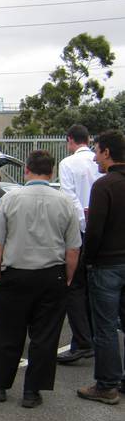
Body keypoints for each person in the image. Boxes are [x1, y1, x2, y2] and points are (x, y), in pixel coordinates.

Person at [0, 150, 81, 408]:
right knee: (45, 336)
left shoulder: (11, 199)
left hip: (15, 275)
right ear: (52, 172)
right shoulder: (65, 202)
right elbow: (73, 248)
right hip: (51, 276)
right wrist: (67, 278)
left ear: (27, 170)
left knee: (6, 333)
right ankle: (32, 392)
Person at [77, 129, 125, 405]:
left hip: (107, 264)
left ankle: (107, 384)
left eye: (96, 151)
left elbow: (94, 232)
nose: (95, 158)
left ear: (107, 152)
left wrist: (88, 260)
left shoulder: (105, 186)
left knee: (105, 327)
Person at [57, 124, 102, 364]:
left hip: (80, 231)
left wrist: (82, 226)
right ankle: (95, 337)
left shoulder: (68, 164)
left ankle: (82, 341)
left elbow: (70, 199)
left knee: (73, 286)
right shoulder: (100, 162)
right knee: (98, 288)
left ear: (70, 140)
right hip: (103, 231)